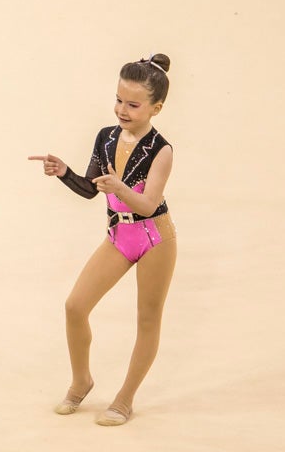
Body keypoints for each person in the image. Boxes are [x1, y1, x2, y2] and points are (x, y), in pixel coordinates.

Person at [29, 54, 176, 426]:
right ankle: (82, 380)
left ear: (156, 108)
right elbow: (90, 190)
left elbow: (147, 204)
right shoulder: (106, 137)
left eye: (133, 104)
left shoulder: (161, 150)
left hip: (155, 238)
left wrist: (121, 188)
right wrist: (64, 172)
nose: (122, 110)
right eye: (118, 100)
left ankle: (125, 398)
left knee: (147, 319)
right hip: (119, 236)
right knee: (75, 306)